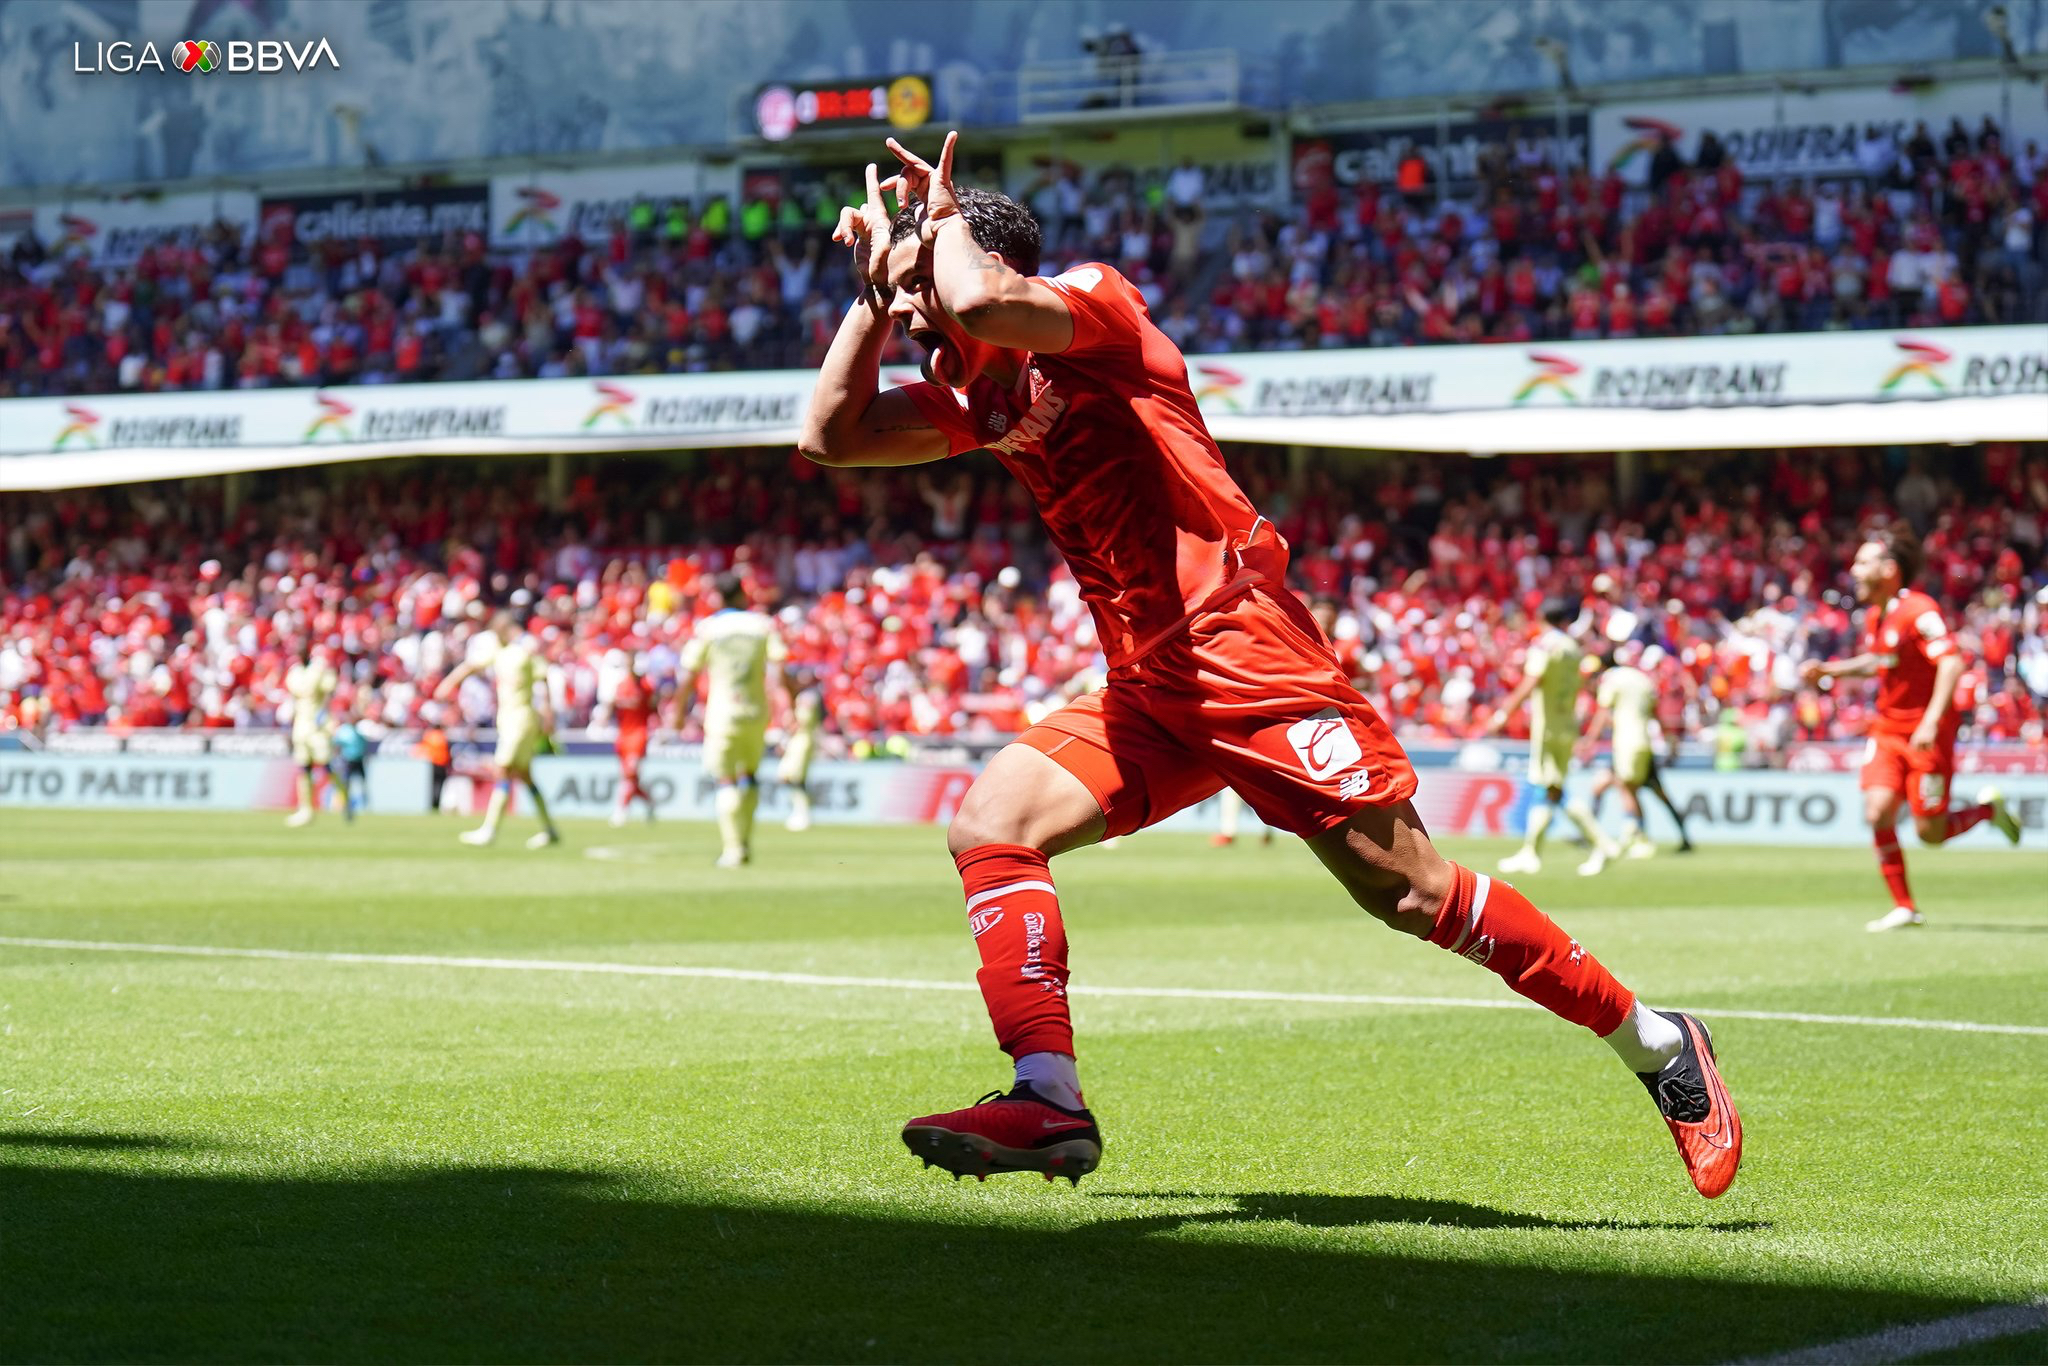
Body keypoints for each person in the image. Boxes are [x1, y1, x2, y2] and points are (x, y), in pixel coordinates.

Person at [797, 132, 1741, 1199]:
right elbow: (831, 435)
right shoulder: (976, 397)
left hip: (1242, 653)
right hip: (1148, 683)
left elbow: (974, 304)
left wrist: (939, 230)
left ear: (980, 260)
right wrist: (872, 296)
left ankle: (1659, 1045)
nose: (915, 313)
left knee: (1409, 892)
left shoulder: (1093, 309)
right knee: (991, 823)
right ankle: (1047, 1096)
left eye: (915, 288)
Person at [1799, 526, 2021, 931]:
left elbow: (1951, 663)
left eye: (1863, 561)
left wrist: (1932, 721)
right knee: (1877, 810)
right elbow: (1880, 661)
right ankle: (1904, 906)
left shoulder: (1920, 610)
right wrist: (1830, 669)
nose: (1853, 568)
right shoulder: (1876, 615)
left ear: (1889, 569)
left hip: (1926, 733)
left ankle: (1989, 811)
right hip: (1887, 730)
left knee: (1930, 832)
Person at [1484, 598, 1618, 876]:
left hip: (1548, 727)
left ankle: (1601, 843)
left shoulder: (1546, 644)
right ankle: (1531, 852)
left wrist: (1502, 714)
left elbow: (1532, 680)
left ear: (1542, 617)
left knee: (1551, 788)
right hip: (1566, 724)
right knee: (1551, 789)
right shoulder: (1572, 648)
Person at [675, 573, 786, 868]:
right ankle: (745, 841)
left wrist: (677, 712)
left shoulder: (710, 628)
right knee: (749, 777)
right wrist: (786, 707)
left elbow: (688, 675)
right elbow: (779, 671)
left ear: (718, 598)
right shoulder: (762, 624)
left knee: (725, 780)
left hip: (722, 714)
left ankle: (733, 848)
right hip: (756, 712)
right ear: (741, 595)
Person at [435, 610, 561, 850]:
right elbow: (472, 666)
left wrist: (547, 709)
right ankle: (550, 830)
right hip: (509, 721)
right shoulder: (501, 653)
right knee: (525, 776)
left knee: (502, 770)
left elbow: (543, 677)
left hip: (521, 721)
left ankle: (489, 830)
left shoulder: (525, 652)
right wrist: (449, 683)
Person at [1577, 645, 1661, 874]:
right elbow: (1655, 709)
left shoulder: (1611, 681)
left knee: (1626, 789)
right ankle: (1634, 836)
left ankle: (1635, 838)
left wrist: (1588, 740)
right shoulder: (1641, 679)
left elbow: (1603, 712)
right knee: (1624, 787)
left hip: (1625, 741)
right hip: (1644, 739)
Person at [283, 643, 337, 827]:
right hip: (301, 726)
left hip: (318, 725)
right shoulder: (295, 672)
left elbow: (329, 692)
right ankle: (305, 808)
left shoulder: (319, 669)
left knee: (325, 764)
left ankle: (342, 798)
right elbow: (294, 699)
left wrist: (324, 713)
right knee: (304, 767)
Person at [604, 663, 658, 827]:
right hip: (623, 735)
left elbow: (653, 707)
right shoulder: (621, 685)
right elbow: (612, 707)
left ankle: (621, 810)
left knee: (630, 773)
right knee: (630, 777)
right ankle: (649, 802)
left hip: (639, 734)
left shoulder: (647, 686)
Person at [778, 669, 825, 833]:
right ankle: (800, 811)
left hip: (802, 741)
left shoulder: (808, 696)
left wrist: (788, 726)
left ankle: (803, 813)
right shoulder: (802, 696)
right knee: (789, 777)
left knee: (796, 778)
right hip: (797, 741)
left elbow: (801, 721)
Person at [331, 709, 371, 822]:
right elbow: (337, 745)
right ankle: (345, 806)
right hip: (348, 761)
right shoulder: (344, 731)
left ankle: (364, 806)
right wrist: (337, 759)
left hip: (358, 760)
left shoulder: (359, 730)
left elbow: (364, 745)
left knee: (362, 783)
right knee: (346, 785)